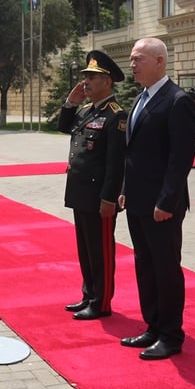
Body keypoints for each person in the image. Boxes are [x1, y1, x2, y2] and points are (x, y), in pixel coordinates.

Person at [118, 37, 195, 361]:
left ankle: (170, 334)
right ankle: (152, 326)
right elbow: (133, 153)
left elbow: (181, 158)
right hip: (137, 202)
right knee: (144, 266)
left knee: (165, 269)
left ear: (160, 61)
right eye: (133, 59)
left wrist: (167, 201)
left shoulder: (177, 100)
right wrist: (124, 187)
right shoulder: (141, 98)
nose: (133, 64)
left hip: (161, 207)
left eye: (139, 59)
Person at [56, 50, 127, 321]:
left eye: (92, 77)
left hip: (100, 197)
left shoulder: (116, 115)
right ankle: (88, 294)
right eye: (85, 76)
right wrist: (70, 102)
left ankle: (101, 302)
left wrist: (109, 198)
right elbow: (64, 127)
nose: (85, 82)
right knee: (85, 249)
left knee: (101, 251)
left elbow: (116, 163)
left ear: (107, 81)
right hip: (80, 192)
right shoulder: (86, 111)